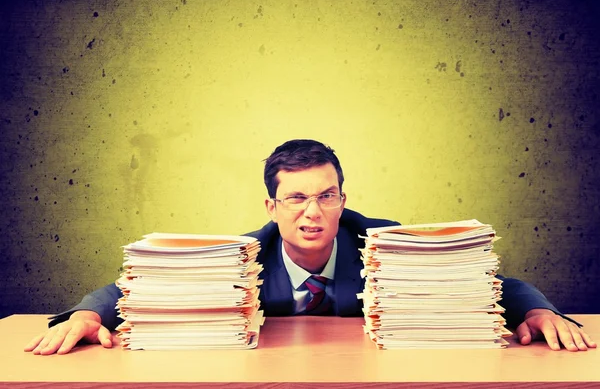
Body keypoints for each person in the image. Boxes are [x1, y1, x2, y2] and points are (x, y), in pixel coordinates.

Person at [24, 139, 596, 355]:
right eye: (295, 198)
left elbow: (490, 283)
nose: (312, 211)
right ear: (271, 208)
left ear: (343, 200)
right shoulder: (243, 257)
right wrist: (84, 314)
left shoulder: (386, 246)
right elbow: (132, 288)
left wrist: (539, 310)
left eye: (325, 196)